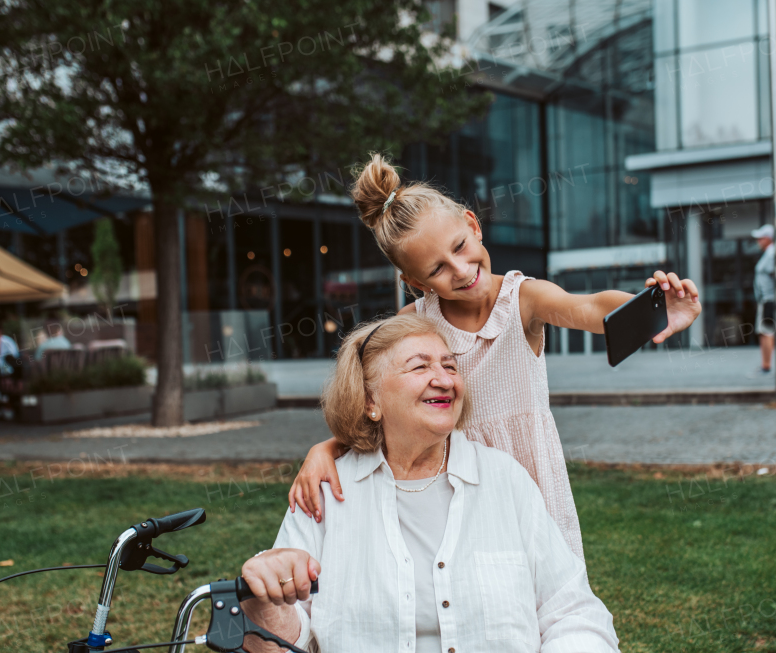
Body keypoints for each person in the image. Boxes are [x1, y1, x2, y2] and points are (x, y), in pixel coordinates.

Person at [234, 314, 650, 653]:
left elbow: (570, 609)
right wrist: (264, 599)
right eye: (420, 366)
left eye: (450, 365)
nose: (444, 377)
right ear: (370, 401)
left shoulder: (503, 479)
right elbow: (288, 651)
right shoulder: (328, 491)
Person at [289, 153, 702, 558]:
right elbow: (381, 403)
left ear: (473, 224)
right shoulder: (415, 321)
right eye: (437, 269)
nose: (461, 269)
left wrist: (655, 307)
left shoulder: (522, 299)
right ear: (414, 281)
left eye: (459, 246)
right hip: (451, 478)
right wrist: (326, 449)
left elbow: (589, 307)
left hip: (528, 470)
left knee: (545, 590)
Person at [751, 224, 776, 373]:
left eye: (761, 237)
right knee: (774, 332)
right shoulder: (770, 252)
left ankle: (766, 366)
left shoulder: (774, 252)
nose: (758, 241)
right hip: (770, 300)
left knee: (770, 332)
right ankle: (766, 365)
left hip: (772, 301)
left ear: (768, 238)